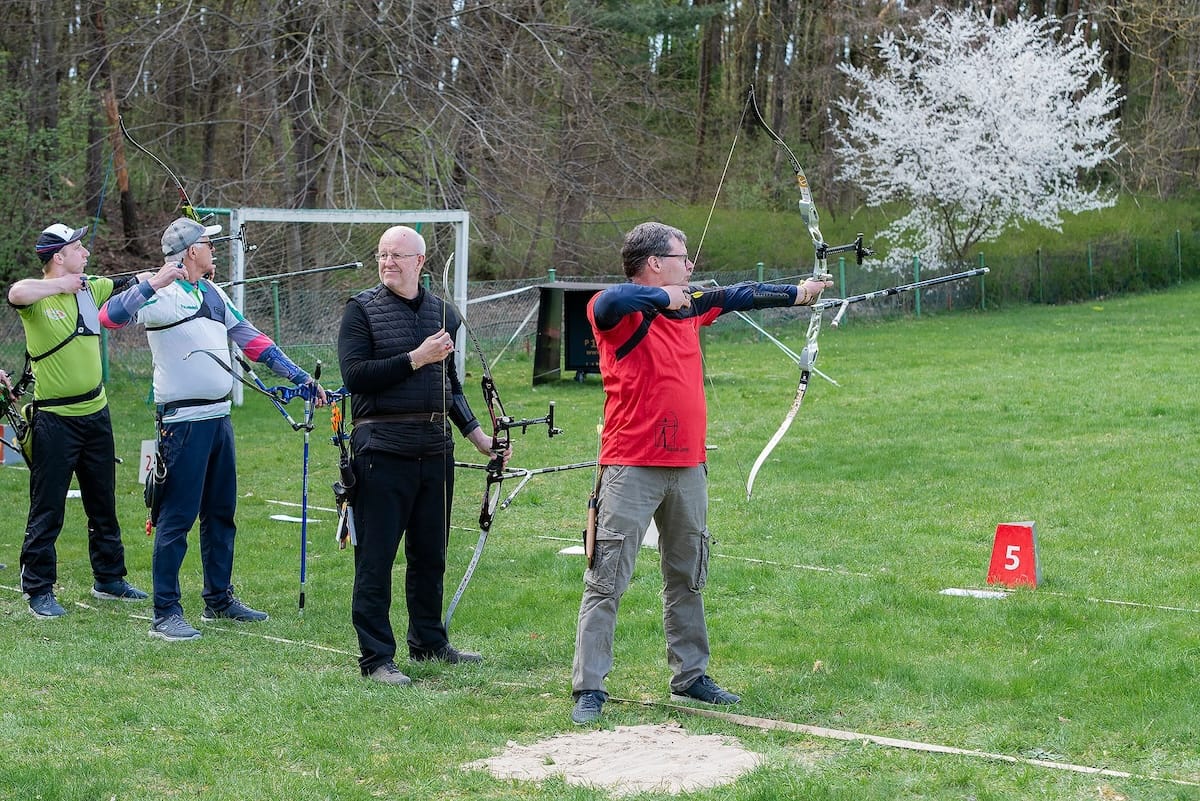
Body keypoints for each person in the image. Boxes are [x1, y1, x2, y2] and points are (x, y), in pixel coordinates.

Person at [570, 221, 834, 725]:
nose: (690, 265)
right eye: (681, 257)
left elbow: (740, 294)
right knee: (607, 579)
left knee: (687, 576)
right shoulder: (616, 311)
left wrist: (799, 293)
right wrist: (664, 298)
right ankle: (590, 687)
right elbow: (608, 302)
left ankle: (690, 675)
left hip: (688, 465)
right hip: (631, 464)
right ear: (654, 263)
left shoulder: (691, 306)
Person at [99, 216, 324, 641]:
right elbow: (108, 317)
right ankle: (165, 612)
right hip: (183, 426)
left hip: (219, 420)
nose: (214, 249)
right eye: (208, 243)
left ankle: (218, 600)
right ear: (190, 252)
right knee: (176, 518)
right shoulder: (160, 293)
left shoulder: (213, 292)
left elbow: (252, 339)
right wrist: (154, 281)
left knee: (221, 514)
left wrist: (299, 377)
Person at [337, 225, 506, 686]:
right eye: (382, 254)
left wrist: (478, 437)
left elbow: (449, 385)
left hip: (434, 450)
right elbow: (355, 376)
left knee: (431, 554)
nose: (387, 262)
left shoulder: (443, 313)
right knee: (376, 559)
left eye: (397, 255)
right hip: (381, 449)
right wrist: (416, 357)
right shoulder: (360, 310)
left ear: (420, 262)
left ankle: (429, 641)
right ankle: (376, 658)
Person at [7, 223, 148, 619]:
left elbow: (132, 282)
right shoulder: (38, 297)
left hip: (96, 416)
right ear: (59, 256)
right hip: (55, 420)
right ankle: (38, 588)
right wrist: (61, 285)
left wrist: (165, 272)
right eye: (78, 248)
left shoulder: (92, 288)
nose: (85, 253)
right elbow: (16, 292)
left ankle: (109, 578)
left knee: (102, 501)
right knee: (48, 506)